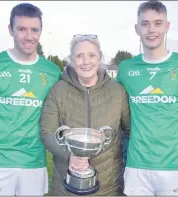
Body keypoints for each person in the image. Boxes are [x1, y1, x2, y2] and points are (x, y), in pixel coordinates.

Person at [116, 0, 178, 196]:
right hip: (136, 165)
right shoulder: (126, 68)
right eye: (145, 24)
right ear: (137, 28)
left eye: (157, 23)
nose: (151, 30)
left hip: (174, 166)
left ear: (167, 26)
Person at [0, 3, 61, 196]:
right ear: (10, 30)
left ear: (41, 31)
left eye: (34, 30)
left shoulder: (53, 72)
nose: (29, 36)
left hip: (34, 162)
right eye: (21, 29)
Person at [40, 34, 131, 196]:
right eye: (79, 56)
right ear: (72, 59)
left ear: (100, 58)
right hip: (66, 187)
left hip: (108, 188)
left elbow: (131, 132)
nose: (86, 62)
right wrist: (70, 157)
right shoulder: (58, 90)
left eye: (91, 55)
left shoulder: (118, 92)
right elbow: (47, 131)